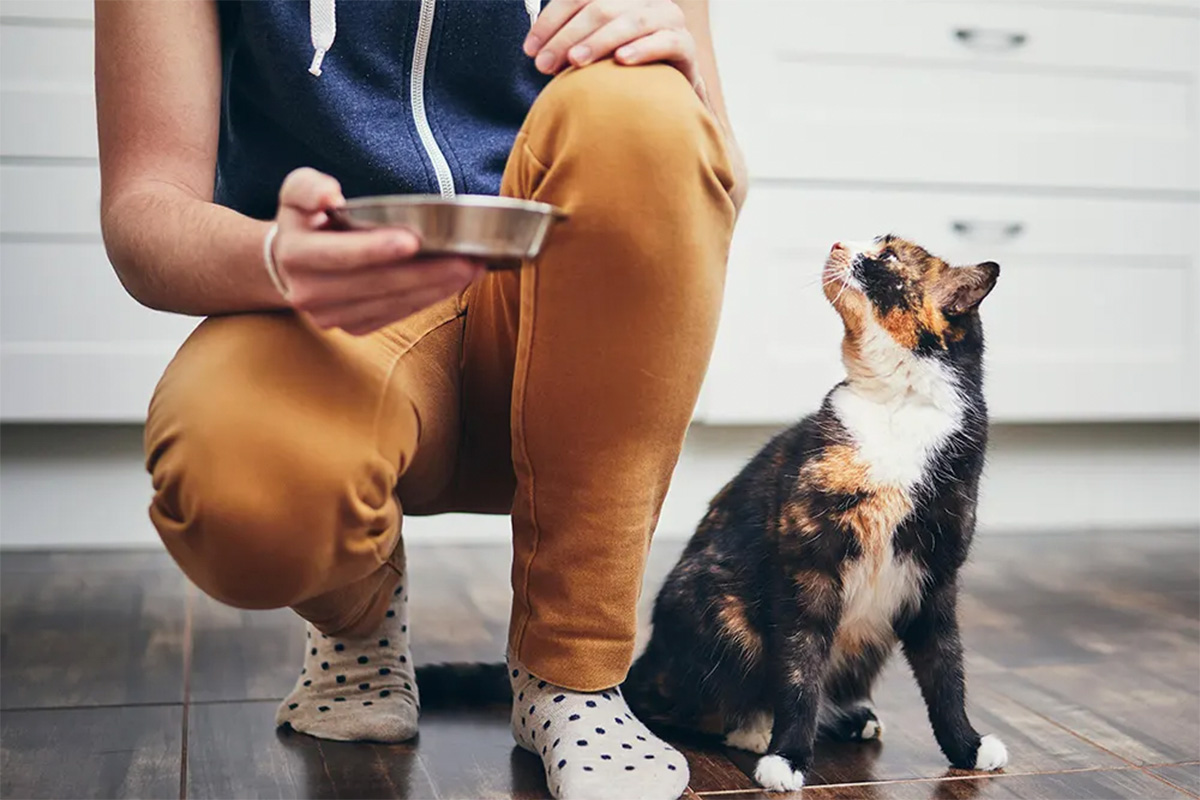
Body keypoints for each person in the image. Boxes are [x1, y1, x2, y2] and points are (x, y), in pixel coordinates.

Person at [97, 1, 745, 797]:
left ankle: (572, 675)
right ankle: (358, 627)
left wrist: (682, 93)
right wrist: (276, 255)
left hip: (571, 308)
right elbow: (143, 209)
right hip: (332, 309)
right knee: (243, 493)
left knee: (646, 105)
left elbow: (716, 175)